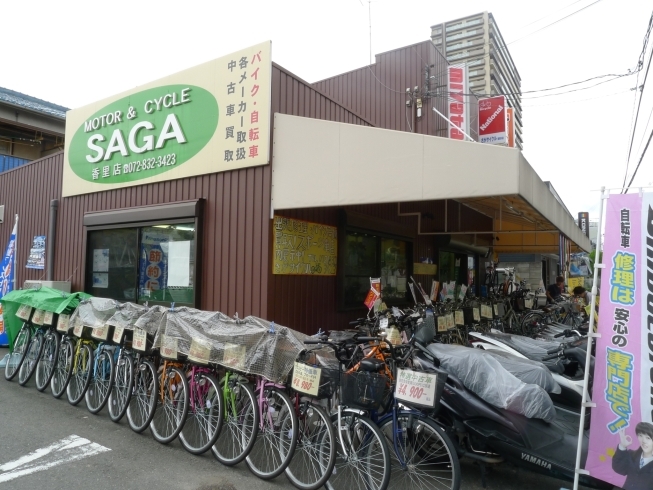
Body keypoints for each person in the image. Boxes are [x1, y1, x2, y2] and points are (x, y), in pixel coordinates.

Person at [612, 423, 653, 490]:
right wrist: (622, 446)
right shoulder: (632, 455)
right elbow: (619, 469)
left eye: (648, 438)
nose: (643, 441)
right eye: (640, 436)